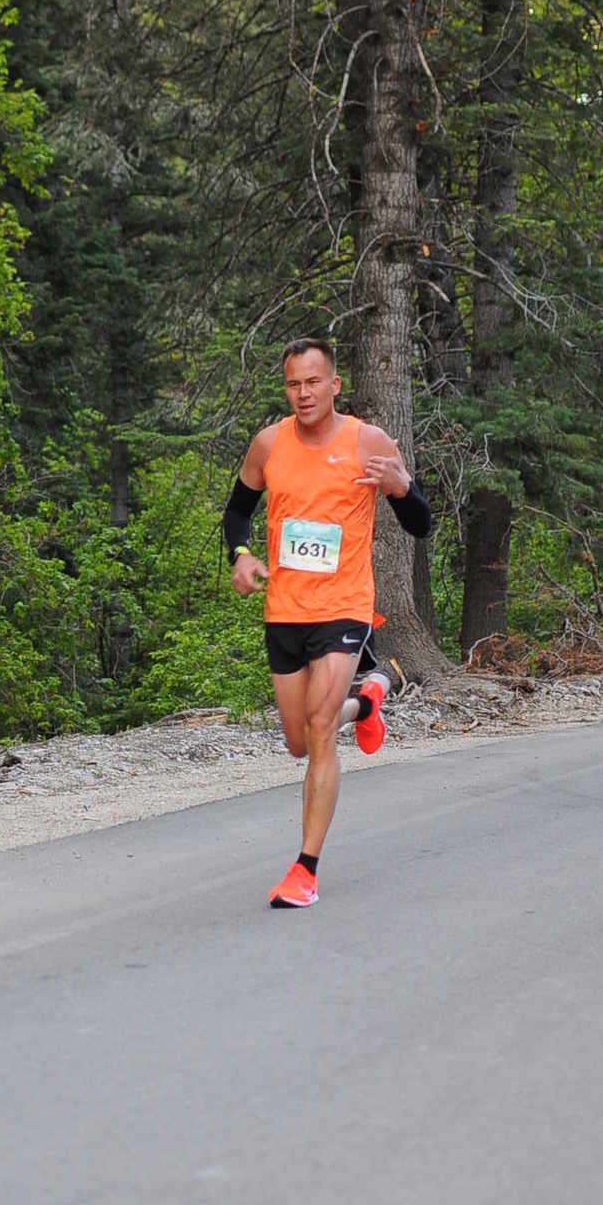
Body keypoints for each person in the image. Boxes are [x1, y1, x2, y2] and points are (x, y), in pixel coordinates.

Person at [221, 337, 432, 908]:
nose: (304, 393)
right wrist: (240, 555)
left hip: (344, 606)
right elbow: (237, 511)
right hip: (285, 610)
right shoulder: (269, 443)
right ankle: (366, 702)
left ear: (334, 385)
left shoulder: (367, 441)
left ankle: (304, 870)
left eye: (314, 382)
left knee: (319, 729)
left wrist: (402, 488)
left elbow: (420, 523)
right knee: (299, 740)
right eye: (294, 384)